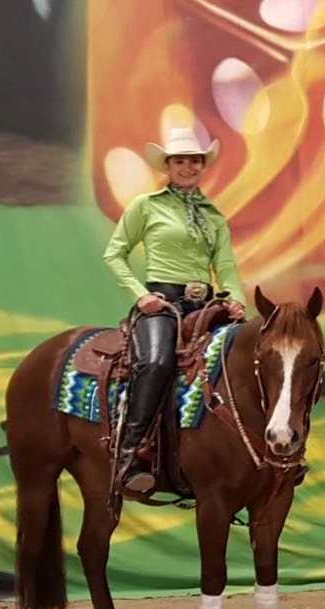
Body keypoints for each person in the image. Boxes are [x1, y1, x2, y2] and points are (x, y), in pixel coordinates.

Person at [102, 127, 247, 493]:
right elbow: (114, 254)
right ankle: (131, 455)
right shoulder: (146, 206)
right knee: (156, 362)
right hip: (162, 303)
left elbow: (226, 265)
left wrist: (236, 300)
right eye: (180, 161)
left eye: (194, 160)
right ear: (168, 165)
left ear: (203, 165)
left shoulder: (214, 215)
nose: (188, 167)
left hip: (207, 304)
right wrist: (140, 296)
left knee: (248, 360)